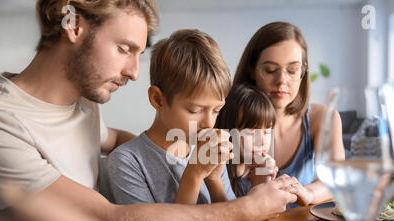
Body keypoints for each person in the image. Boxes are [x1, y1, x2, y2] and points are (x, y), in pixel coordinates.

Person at [0, 1, 298, 221]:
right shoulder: (3, 122)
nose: (134, 72)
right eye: (124, 49)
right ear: (73, 25)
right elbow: (111, 218)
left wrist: (166, 152)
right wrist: (247, 208)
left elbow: (110, 139)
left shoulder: (84, 102)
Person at [103, 29, 237, 205]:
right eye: (195, 110)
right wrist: (194, 174)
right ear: (158, 99)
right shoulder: (127, 162)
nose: (209, 123)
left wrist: (214, 181)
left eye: (216, 110)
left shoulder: (209, 151)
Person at [233, 21, 345, 207]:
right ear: (251, 70)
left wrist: (307, 193)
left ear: (303, 72)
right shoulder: (228, 116)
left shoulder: (322, 118)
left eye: (292, 70)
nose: (281, 81)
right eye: (270, 70)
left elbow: (337, 179)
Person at [215, 83, 278, 197]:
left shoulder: (263, 171)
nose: (262, 142)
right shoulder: (217, 176)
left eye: (267, 131)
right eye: (252, 132)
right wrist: (258, 188)